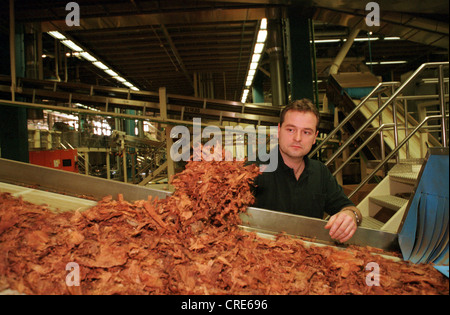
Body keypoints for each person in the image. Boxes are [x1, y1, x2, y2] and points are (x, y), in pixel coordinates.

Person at [253, 99, 362, 243]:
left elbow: (350, 208)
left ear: (315, 137)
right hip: (262, 254)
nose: (297, 138)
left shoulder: (320, 172)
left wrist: (351, 215)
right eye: (291, 130)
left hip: (309, 255)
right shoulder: (254, 170)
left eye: (306, 132)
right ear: (279, 130)